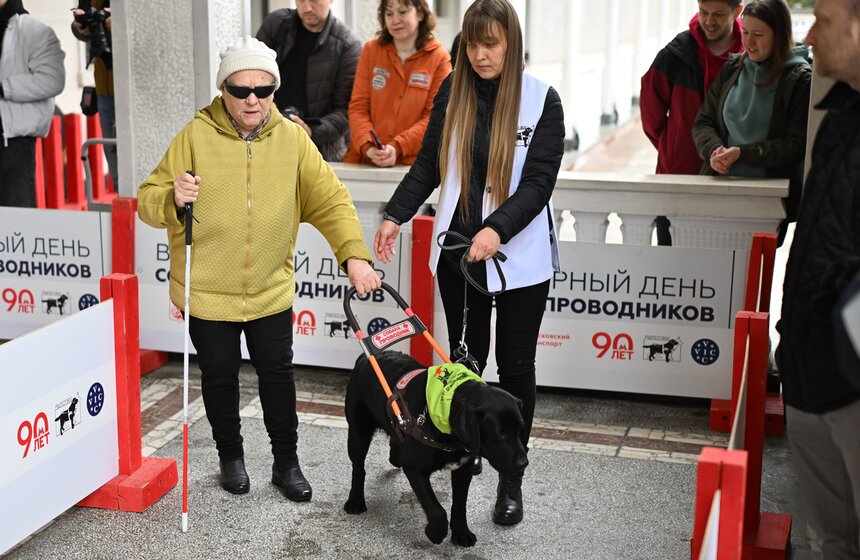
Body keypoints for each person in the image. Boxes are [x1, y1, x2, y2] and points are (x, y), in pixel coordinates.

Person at [137, 36, 381, 502]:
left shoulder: (292, 140)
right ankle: (231, 457)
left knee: (277, 376)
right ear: (223, 89)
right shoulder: (194, 136)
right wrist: (172, 198)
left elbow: (330, 200)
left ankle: (286, 463)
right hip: (207, 290)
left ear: (274, 90)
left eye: (264, 90)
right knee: (220, 376)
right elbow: (148, 200)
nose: (253, 100)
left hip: (269, 289)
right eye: (241, 89)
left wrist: (353, 255)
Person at [374, 0, 564, 526]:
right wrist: (396, 214)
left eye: (492, 44)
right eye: (474, 44)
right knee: (467, 362)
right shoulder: (452, 89)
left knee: (516, 365)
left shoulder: (541, 99)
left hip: (519, 255)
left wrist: (497, 228)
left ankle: (512, 476)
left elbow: (539, 182)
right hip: (460, 252)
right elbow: (431, 163)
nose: (481, 55)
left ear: (512, 43)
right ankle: (467, 453)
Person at [775, 0, 860, 557]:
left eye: (822, 19)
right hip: (809, 371)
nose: (808, 32)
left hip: (850, 376)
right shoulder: (840, 115)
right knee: (830, 538)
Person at [692, 0, 811, 246]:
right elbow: (703, 122)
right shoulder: (733, 66)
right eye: (745, 32)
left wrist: (742, 154)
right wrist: (714, 150)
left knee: (749, 278)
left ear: (780, 35)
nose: (748, 42)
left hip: (768, 201)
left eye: (758, 34)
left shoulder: (799, 79)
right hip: (719, 190)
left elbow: (795, 145)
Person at [640, 0, 743, 245]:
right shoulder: (676, 53)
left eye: (718, 14)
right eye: (704, 12)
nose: (709, 21)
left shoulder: (749, 53)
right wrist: (672, 146)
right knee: (671, 257)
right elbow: (651, 113)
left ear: (737, 11)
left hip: (734, 176)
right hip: (677, 175)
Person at [343, 0, 450, 167]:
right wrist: (368, 146)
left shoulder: (439, 58)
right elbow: (358, 107)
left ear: (420, 14)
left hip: (411, 166)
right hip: (366, 160)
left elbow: (434, 117)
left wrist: (398, 146)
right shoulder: (371, 51)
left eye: (403, 12)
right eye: (389, 13)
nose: (395, 20)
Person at [256, 0, 361, 162]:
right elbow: (254, 75)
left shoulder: (348, 45)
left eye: (314, 0)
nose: (307, 8)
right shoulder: (276, 25)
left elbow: (346, 112)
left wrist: (310, 131)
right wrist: (270, 110)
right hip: (269, 141)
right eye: (301, 0)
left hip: (322, 153)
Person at [0, 0, 65, 208]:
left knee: (16, 220)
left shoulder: (35, 30)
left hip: (14, 141)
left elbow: (53, 80)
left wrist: (4, 88)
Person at [71, 0, 117, 188]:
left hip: (134, 91)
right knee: (116, 167)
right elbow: (84, 25)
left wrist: (123, 22)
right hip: (104, 91)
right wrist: (79, 27)